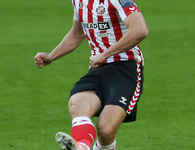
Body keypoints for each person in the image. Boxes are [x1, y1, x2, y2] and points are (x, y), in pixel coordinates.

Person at [34, 0, 148, 149]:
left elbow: (140, 30)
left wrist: (105, 54)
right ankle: (81, 146)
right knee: (78, 104)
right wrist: (51, 56)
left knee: (106, 130)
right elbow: (78, 33)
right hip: (98, 68)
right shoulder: (79, 1)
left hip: (126, 68)